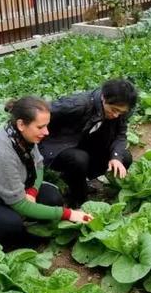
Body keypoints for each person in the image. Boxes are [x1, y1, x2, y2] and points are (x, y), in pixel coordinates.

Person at [0, 96, 92, 250]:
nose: (46, 132)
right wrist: (69, 214)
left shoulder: (24, 136)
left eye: (47, 126)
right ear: (21, 124)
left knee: (52, 197)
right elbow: (20, 204)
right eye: (40, 127)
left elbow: (38, 167)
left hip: (11, 190)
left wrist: (32, 191)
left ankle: (20, 227)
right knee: (8, 225)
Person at [40, 79, 137, 207]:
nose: (116, 115)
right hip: (58, 144)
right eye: (113, 110)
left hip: (85, 142)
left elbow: (120, 135)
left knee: (124, 156)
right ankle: (78, 200)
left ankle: (79, 179)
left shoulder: (121, 111)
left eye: (121, 112)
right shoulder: (77, 104)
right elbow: (39, 112)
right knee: (79, 159)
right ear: (103, 97)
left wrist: (116, 158)